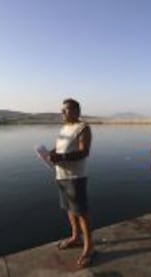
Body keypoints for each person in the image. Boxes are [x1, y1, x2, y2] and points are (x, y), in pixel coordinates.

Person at [49, 98, 96, 268]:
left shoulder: (83, 128)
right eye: (62, 110)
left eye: (66, 110)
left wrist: (60, 157)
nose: (62, 113)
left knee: (81, 212)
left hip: (76, 176)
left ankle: (89, 247)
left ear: (76, 112)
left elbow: (84, 152)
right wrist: (50, 153)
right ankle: (76, 237)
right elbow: (60, 149)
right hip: (61, 174)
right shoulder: (64, 128)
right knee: (69, 209)